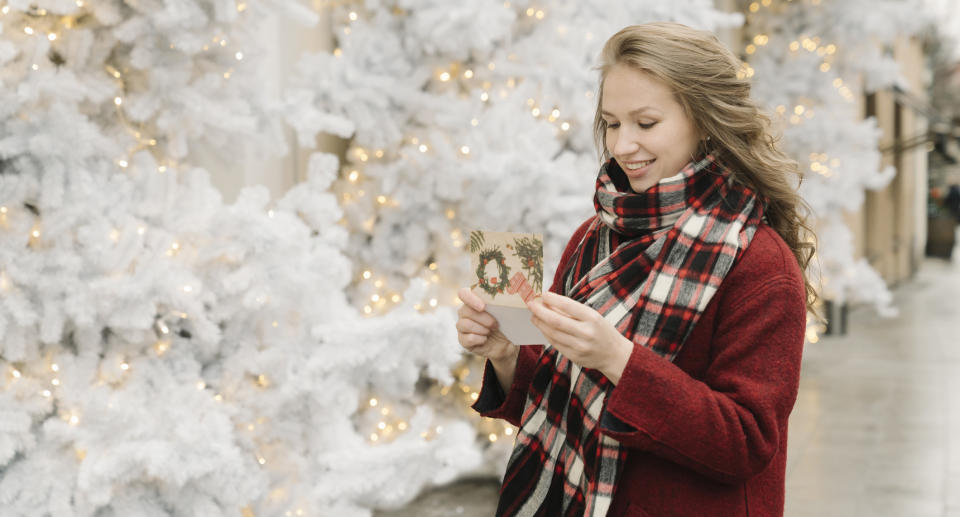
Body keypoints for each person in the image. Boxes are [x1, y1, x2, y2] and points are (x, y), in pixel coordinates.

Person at [456, 22, 816, 517]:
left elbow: (747, 443)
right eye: (611, 123)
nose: (623, 145)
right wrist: (506, 356)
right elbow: (556, 401)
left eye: (646, 124)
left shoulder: (759, 262)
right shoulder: (596, 233)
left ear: (705, 120)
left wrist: (619, 360)